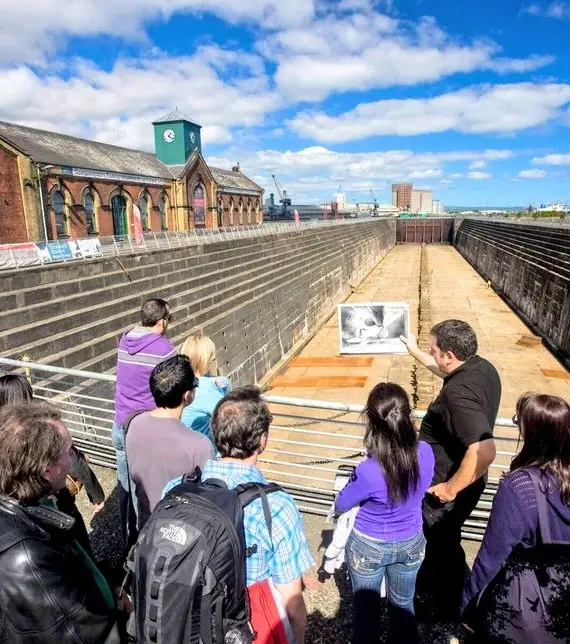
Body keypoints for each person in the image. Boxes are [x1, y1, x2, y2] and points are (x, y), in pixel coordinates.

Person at [164, 386, 314, 644]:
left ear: (216, 433)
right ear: (262, 440)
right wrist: (298, 637)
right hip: (247, 622)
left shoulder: (176, 488)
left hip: (188, 617)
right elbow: (291, 597)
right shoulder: (276, 506)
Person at [401, 319, 501, 618]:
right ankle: (456, 593)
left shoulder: (457, 395)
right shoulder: (482, 368)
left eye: (434, 351)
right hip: (470, 481)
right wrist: (414, 351)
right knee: (447, 540)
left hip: (448, 486)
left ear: (449, 355)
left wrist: (448, 489)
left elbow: (484, 449)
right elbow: (447, 374)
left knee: (439, 545)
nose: (432, 356)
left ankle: (446, 605)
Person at [0, 402, 121, 643]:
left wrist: (106, 585)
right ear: (47, 470)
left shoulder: (32, 503)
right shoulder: (28, 559)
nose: (74, 456)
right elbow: (82, 634)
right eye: (69, 450)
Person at [462, 393, 570, 642]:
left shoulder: (519, 487)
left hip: (523, 609)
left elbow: (491, 558)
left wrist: (468, 606)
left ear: (534, 435)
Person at [335, 382, 435, 644]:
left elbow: (342, 504)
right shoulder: (425, 452)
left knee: (366, 615)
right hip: (412, 540)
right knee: (403, 604)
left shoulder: (368, 470)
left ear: (371, 421)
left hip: (369, 545)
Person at [0, 373, 105, 555]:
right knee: (77, 544)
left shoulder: (4, 433)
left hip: (21, 511)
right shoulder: (41, 428)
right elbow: (76, 464)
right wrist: (96, 496)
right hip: (56, 503)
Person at [112, 298, 176, 544]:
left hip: (119, 425)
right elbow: (176, 383)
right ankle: (142, 548)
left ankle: (126, 542)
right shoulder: (163, 349)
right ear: (161, 322)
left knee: (125, 486)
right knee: (145, 492)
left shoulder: (124, 340)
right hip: (143, 430)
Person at [125, 354, 214, 529]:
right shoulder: (199, 445)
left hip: (145, 524)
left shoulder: (133, 423)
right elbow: (209, 497)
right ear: (187, 395)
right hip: (181, 532)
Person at [180, 329, 231, 444]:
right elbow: (228, 416)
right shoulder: (205, 387)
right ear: (207, 359)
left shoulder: (181, 380)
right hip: (207, 449)